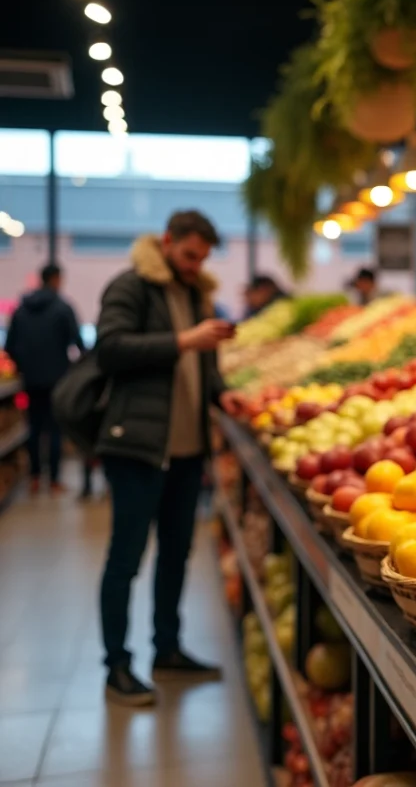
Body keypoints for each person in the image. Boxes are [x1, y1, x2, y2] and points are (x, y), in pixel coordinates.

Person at [93, 210, 235, 706]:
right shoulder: (131, 287)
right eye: (190, 254)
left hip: (187, 450)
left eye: (203, 258)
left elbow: (205, 367)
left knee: (177, 553)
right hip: (137, 446)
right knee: (126, 558)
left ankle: (167, 649)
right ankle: (116, 666)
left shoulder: (197, 293)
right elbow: (109, 349)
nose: (196, 265)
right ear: (167, 242)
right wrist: (183, 340)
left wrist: (224, 397)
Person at [4, 263, 85, 495]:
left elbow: (10, 345)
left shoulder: (21, 309)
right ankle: (54, 480)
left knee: (33, 427)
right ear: (57, 279)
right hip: (57, 379)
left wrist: (24, 366)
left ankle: (35, 478)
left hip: (30, 380)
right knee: (55, 430)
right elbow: (77, 343)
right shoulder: (62, 308)